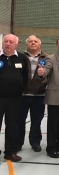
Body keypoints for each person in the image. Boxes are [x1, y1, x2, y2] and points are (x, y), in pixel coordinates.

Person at [15, 35, 47, 153]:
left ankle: (35, 142)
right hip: (22, 95)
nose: (33, 43)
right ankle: (18, 143)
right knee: (19, 121)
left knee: (36, 121)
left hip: (39, 95)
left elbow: (49, 75)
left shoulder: (46, 58)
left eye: (35, 41)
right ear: (26, 44)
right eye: (30, 41)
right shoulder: (19, 57)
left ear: (39, 45)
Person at [0, 34, 29, 162]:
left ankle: (10, 152)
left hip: (15, 99)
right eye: (6, 41)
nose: (8, 44)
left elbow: (25, 76)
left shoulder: (22, 58)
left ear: (16, 44)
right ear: (2, 42)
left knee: (12, 126)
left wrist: (19, 90)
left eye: (11, 42)